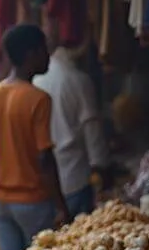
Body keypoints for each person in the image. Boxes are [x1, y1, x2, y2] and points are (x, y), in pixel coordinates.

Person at [0, 24, 68, 250]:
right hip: (33, 201)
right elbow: (44, 157)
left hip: (0, 201)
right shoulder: (38, 99)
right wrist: (61, 205)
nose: (48, 56)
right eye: (44, 50)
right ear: (31, 54)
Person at [34, 39, 111, 219]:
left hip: (45, 180)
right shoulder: (80, 80)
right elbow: (92, 131)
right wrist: (102, 168)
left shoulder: (37, 80)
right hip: (75, 178)